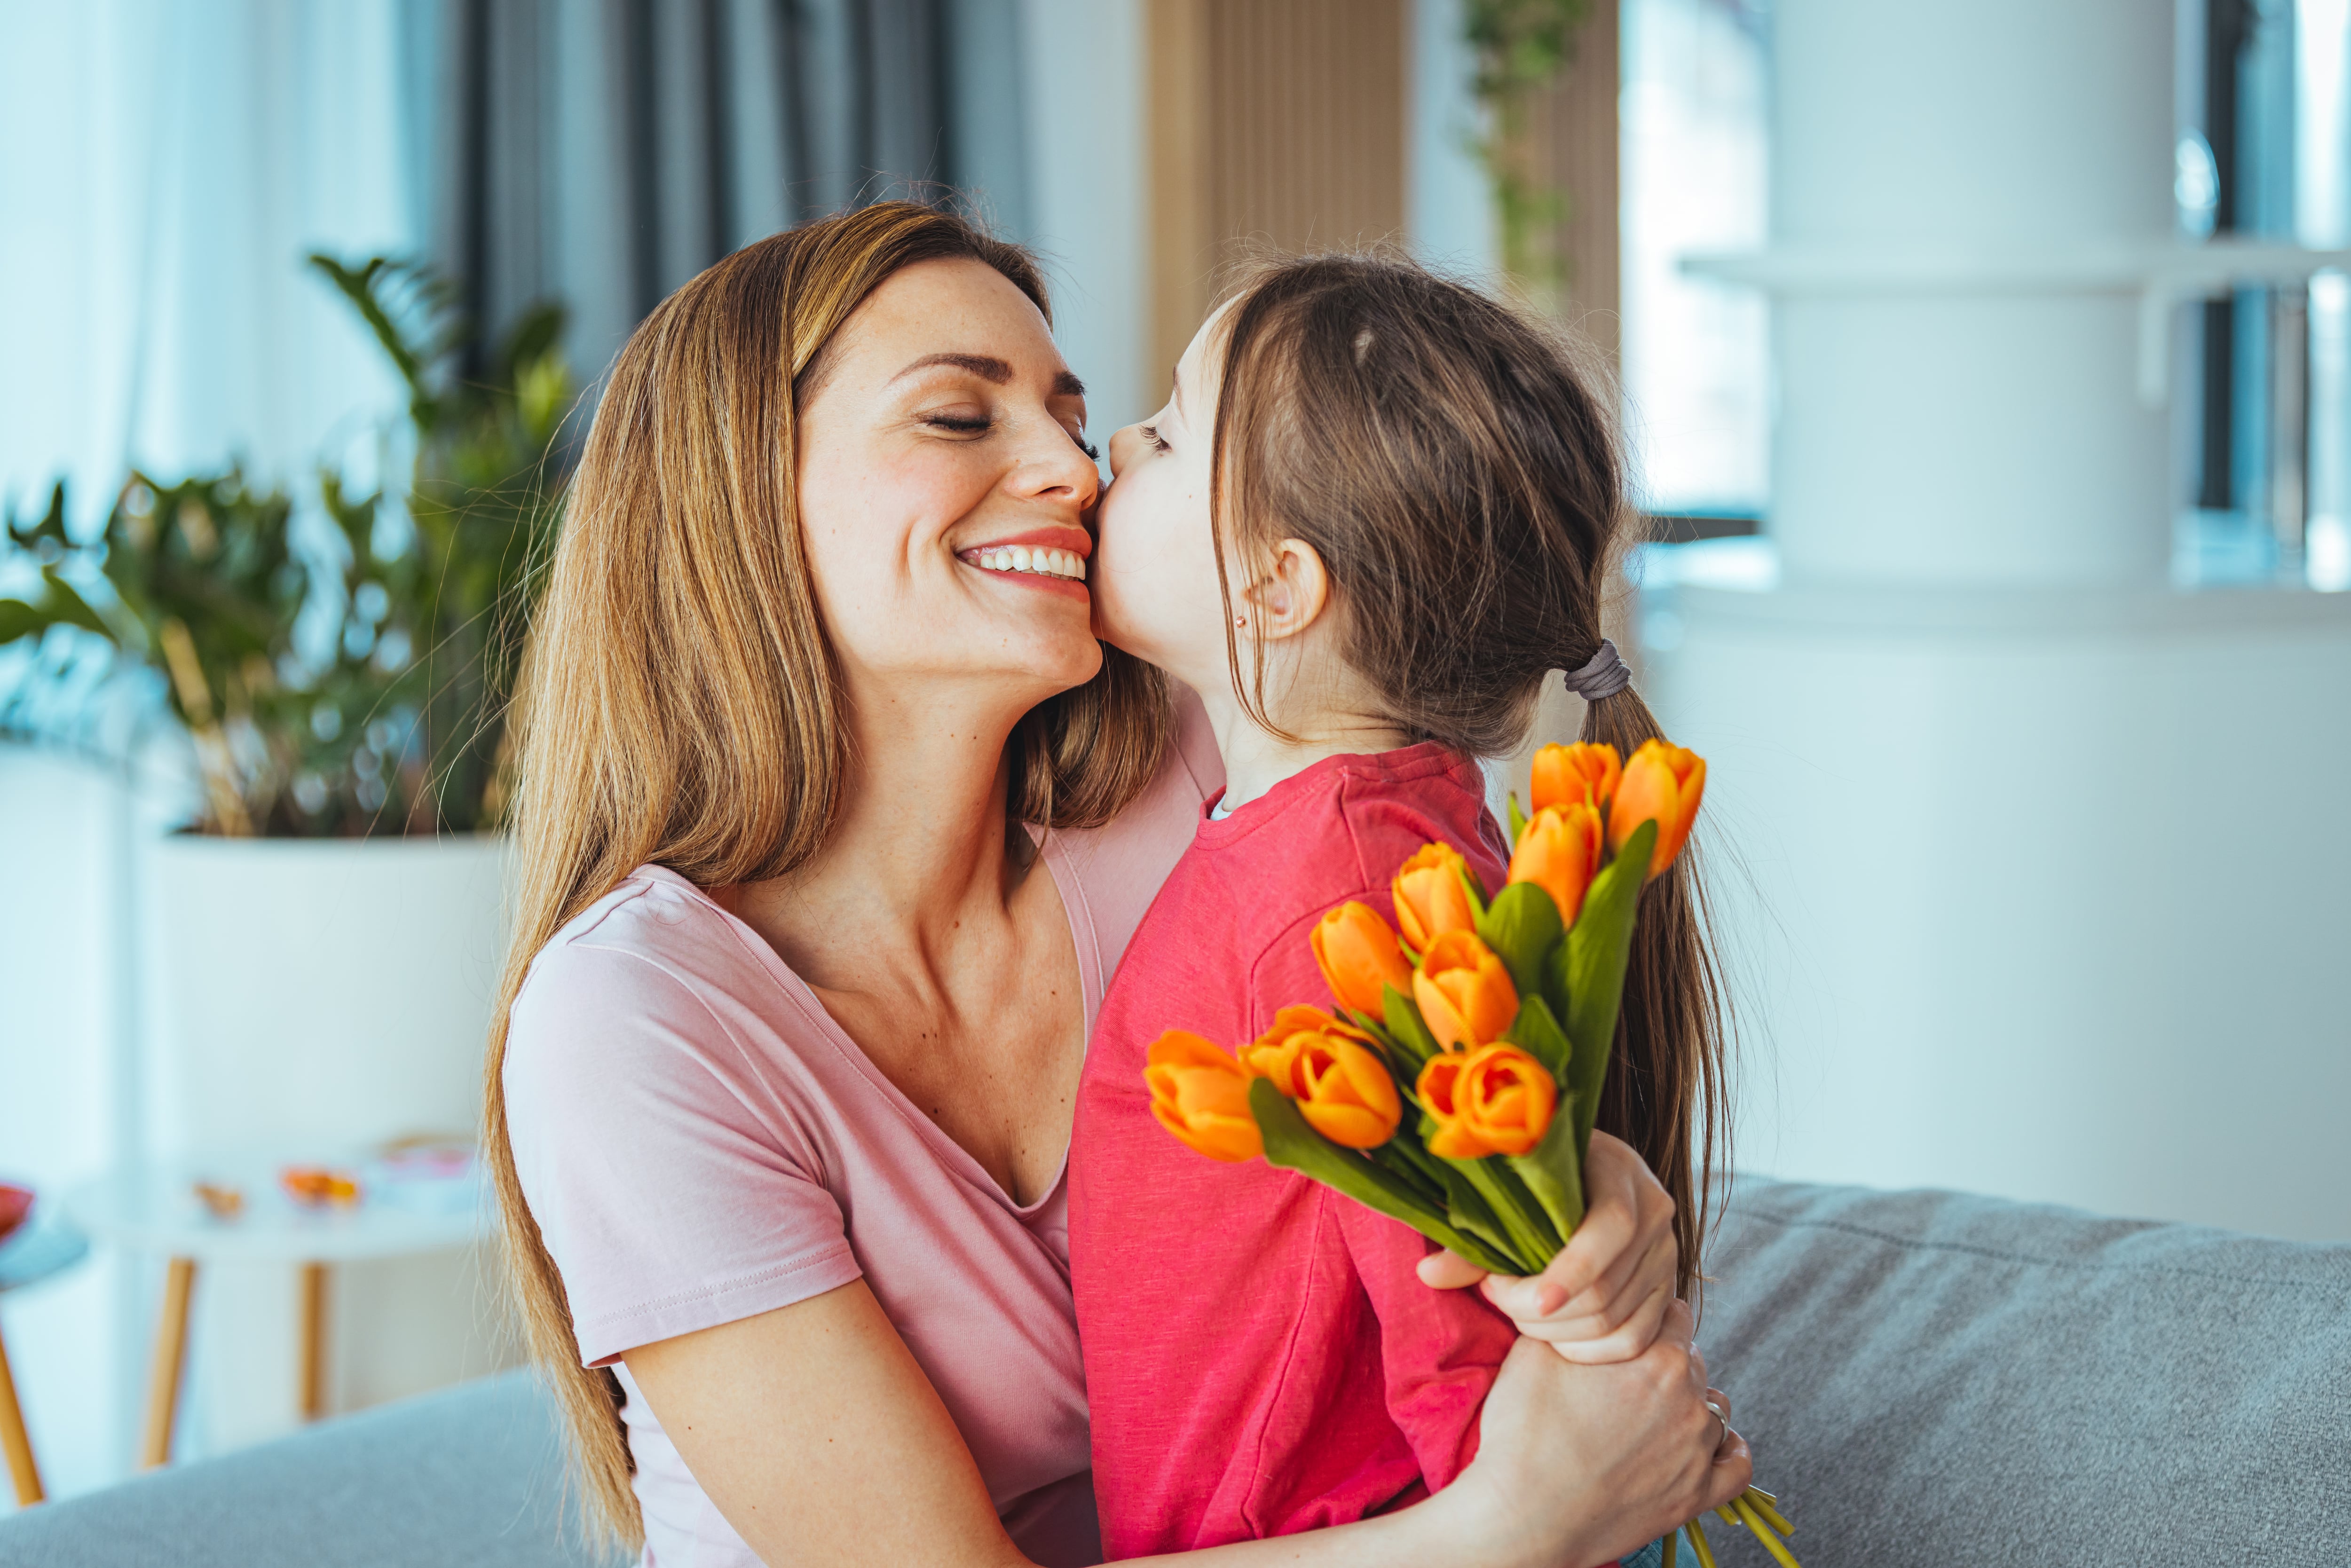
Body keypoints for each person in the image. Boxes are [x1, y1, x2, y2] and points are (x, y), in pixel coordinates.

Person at [489, 202, 1749, 1568]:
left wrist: (1588, 1189)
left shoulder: (1209, 787)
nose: (1074, 470)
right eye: (958, 418)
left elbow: (1429, 1032)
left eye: (1072, 416)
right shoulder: (633, 1021)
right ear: (733, 500)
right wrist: (1516, 1526)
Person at [1067, 254, 1736, 1563]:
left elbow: (1464, 1341)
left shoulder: (1343, 899)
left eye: (1168, 433)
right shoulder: (1357, 836)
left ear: (1275, 588)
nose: (1116, 446)